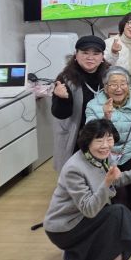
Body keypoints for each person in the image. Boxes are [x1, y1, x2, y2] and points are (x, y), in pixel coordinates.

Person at [44, 119, 131, 260]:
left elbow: (115, 179)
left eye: (109, 139)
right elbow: (89, 209)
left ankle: (81, 252)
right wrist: (107, 182)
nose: (105, 145)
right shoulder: (74, 168)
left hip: (84, 219)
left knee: (117, 258)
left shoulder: (102, 157)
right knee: (118, 212)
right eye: (99, 140)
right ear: (87, 142)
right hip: (65, 228)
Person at [85, 67, 131, 221]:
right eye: (113, 84)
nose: (119, 89)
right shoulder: (93, 105)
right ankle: (119, 226)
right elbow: (91, 138)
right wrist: (106, 117)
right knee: (117, 192)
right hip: (105, 158)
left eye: (123, 83)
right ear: (105, 87)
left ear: (128, 85)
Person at [51, 35, 110, 172]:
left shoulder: (109, 76)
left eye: (96, 54)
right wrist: (61, 98)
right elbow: (60, 114)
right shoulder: (65, 78)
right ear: (76, 55)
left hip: (103, 135)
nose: (90, 58)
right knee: (75, 173)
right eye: (85, 53)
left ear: (102, 57)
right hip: (76, 136)